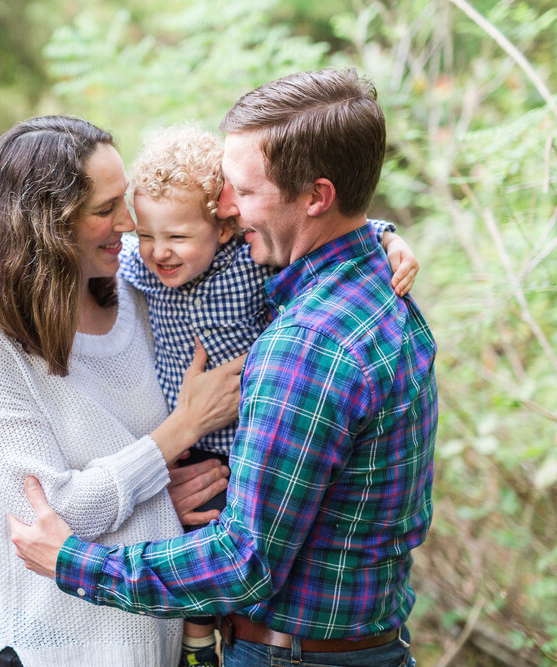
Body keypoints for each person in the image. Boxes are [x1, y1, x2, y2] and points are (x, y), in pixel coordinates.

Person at [10, 68, 438, 667]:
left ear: (316, 197)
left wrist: (74, 561)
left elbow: (244, 564)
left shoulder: (309, 346)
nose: (224, 207)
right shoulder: (376, 285)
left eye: (242, 189)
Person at [0, 115, 245, 667]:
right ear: (46, 225)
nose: (130, 221)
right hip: (54, 645)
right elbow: (49, 516)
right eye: (106, 210)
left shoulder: (142, 284)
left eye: (125, 200)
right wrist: (182, 429)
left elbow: (250, 235)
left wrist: (378, 239)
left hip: (159, 637)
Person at [118, 124, 419, 667]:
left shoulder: (258, 273)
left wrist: (384, 235)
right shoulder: (139, 264)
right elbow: (98, 249)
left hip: (245, 441)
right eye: (147, 236)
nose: (159, 251)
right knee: (194, 517)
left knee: (225, 528)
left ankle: (199, 642)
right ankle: (196, 639)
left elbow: (328, 231)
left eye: (178, 238)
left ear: (224, 228)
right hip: (191, 437)